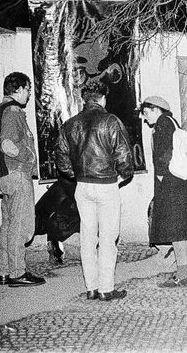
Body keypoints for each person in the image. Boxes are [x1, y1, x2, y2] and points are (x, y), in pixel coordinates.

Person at [56, 81, 133, 301]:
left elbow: (61, 158)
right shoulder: (110, 121)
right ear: (103, 98)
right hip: (107, 185)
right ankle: (106, 289)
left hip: (83, 186)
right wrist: (122, 176)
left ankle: (91, 287)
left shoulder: (70, 124)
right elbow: (124, 156)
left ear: (84, 99)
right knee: (108, 239)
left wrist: (76, 174)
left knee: (88, 237)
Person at [0, 72, 46, 287]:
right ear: (19, 89)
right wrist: (30, 156)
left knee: (8, 224)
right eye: (28, 89)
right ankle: (17, 273)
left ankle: (4, 271)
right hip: (16, 175)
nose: (29, 94)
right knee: (20, 225)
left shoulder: (0, 110)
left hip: (3, 176)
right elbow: (8, 145)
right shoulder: (13, 111)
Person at [138, 96, 187, 287]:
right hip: (182, 184)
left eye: (146, 113)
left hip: (173, 186)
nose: (145, 118)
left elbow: (163, 155)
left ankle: (182, 275)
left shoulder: (162, 124)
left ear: (156, 110)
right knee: (181, 230)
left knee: (177, 231)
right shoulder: (173, 123)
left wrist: (162, 176)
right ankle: (183, 272)